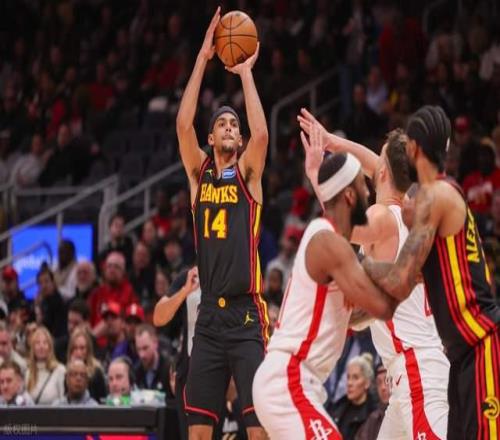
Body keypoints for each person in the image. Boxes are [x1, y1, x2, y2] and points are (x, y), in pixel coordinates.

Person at [299, 109, 450, 438]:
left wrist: (316, 175)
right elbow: (378, 164)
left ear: (382, 172)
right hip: (409, 373)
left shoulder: (382, 217)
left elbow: (341, 226)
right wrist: (333, 143)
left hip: (417, 370)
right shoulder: (408, 212)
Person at [359, 105, 500, 439]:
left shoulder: (435, 198)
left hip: (479, 342)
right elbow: (384, 172)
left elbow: (399, 280)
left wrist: (357, 270)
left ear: (416, 149)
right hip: (456, 352)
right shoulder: (434, 196)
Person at [252, 140, 398, 439]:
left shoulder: (333, 243)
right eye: (363, 187)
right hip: (288, 379)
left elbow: (356, 316)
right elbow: (382, 306)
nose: (368, 194)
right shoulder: (327, 241)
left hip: (297, 382)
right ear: (349, 196)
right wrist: (413, 264)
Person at [176, 7, 269, 440]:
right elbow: (183, 124)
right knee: (198, 431)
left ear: (239, 138)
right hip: (210, 316)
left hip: (247, 315)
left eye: (234, 124)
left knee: (258, 427)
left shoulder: (249, 174)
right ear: (211, 139)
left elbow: (262, 136)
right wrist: (202, 58)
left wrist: (245, 73)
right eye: (221, 124)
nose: (229, 127)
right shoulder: (200, 176)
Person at [154, 267, 201, 440]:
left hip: (224, 372)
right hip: (189, 372)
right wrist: (184, 291)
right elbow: (158, 317)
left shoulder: (232, 274)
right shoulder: (189, 276)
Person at [328, 354, 377, 440]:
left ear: (367, 383)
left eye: (355, 378)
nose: (349, 383)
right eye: (348, 377)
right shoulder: (337, 407)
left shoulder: (373, 416)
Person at [25, 326, 66, 405]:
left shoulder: (60, 370)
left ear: (50, 347)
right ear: (33, 348)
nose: (41, 346)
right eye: (37, 343)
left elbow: (63, 400)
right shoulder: (28, 372)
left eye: (45, 343)